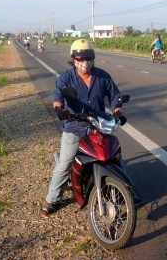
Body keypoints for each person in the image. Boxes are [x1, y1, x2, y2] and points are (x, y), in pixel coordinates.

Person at [41, 39, 123, 214]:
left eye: (87, 58)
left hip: (98, 124)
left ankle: (124, 190)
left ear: (93, 58)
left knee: (115, 157)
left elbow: (115, 95)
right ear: (73, 59)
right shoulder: (67, 78)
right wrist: (59, 109)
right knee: (65, 163)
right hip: (74, 125)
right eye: (80, 58)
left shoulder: (103, 76)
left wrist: (117, 110)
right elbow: (57, 98)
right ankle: (52, 198)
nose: (84, 62)